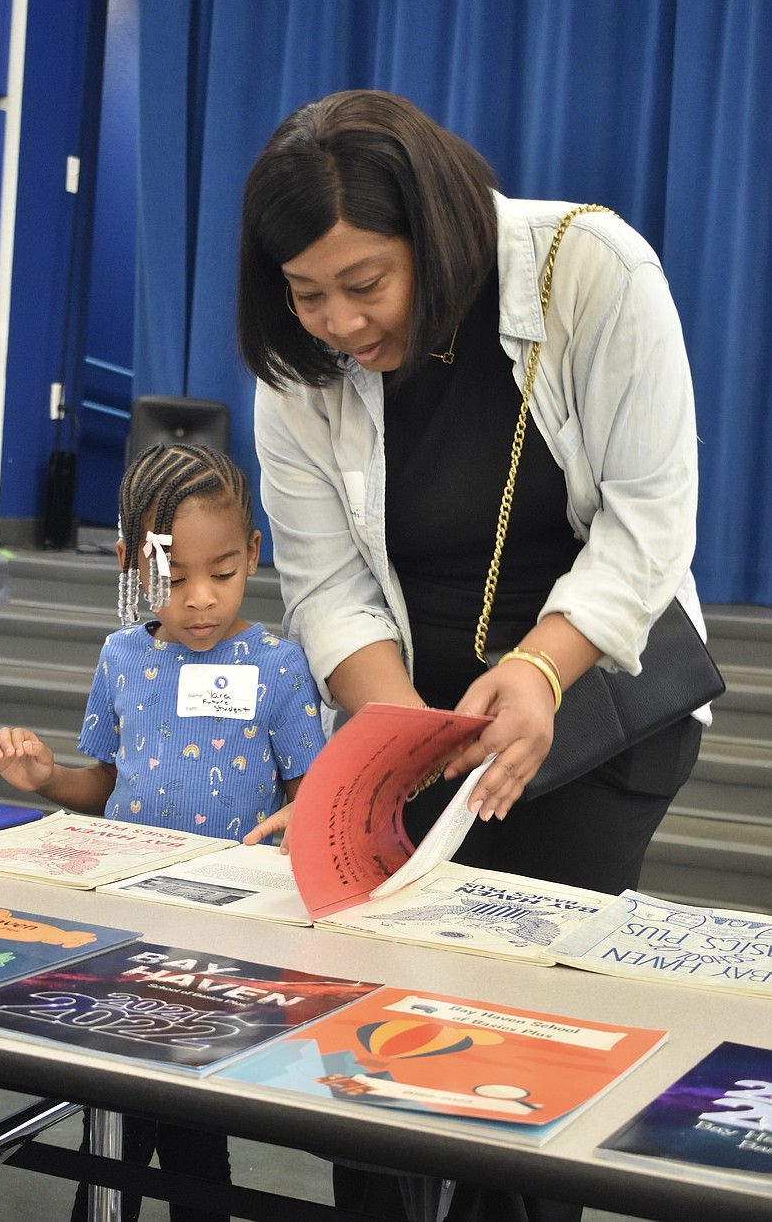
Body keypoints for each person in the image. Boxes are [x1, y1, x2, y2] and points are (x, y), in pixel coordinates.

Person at [238, 89, 709, 1222]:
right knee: (363, 1015)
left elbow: (651, 521)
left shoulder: (588, 270)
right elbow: (325, 585)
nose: (340, 323)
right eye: (308, 294)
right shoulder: (295, 369)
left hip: (595, 703)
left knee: (515, 1039)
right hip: (416, 710)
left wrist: (542, 669)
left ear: (435, 237)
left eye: (366, 285)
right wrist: (393, 748)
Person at [0, 441, 327, 1222]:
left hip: (229, 936)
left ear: (254, 553)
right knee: (113, 1129)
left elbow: (308, 797)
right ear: (129, 564)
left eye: (224, 572)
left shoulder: (278, 665)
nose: (200, 599)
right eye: (172, 579)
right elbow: (102, 781)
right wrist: (44, 780)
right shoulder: (121, 657)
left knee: (198, 1134)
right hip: (128, 927)